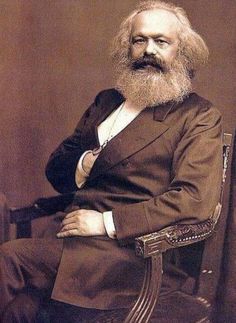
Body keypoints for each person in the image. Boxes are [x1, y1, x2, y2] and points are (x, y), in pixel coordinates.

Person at [0, 0, 222, 321]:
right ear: (127, 47)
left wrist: (105, 223)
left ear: (182, 53)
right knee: (19, 310)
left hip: (130, 254)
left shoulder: (198, 115)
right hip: (70, 240)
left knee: (8, 257)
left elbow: (193, 200)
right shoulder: (107, 101)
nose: (149, 50)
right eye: (139, 40)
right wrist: (83, 166)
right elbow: (56, 168)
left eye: (161, 41)